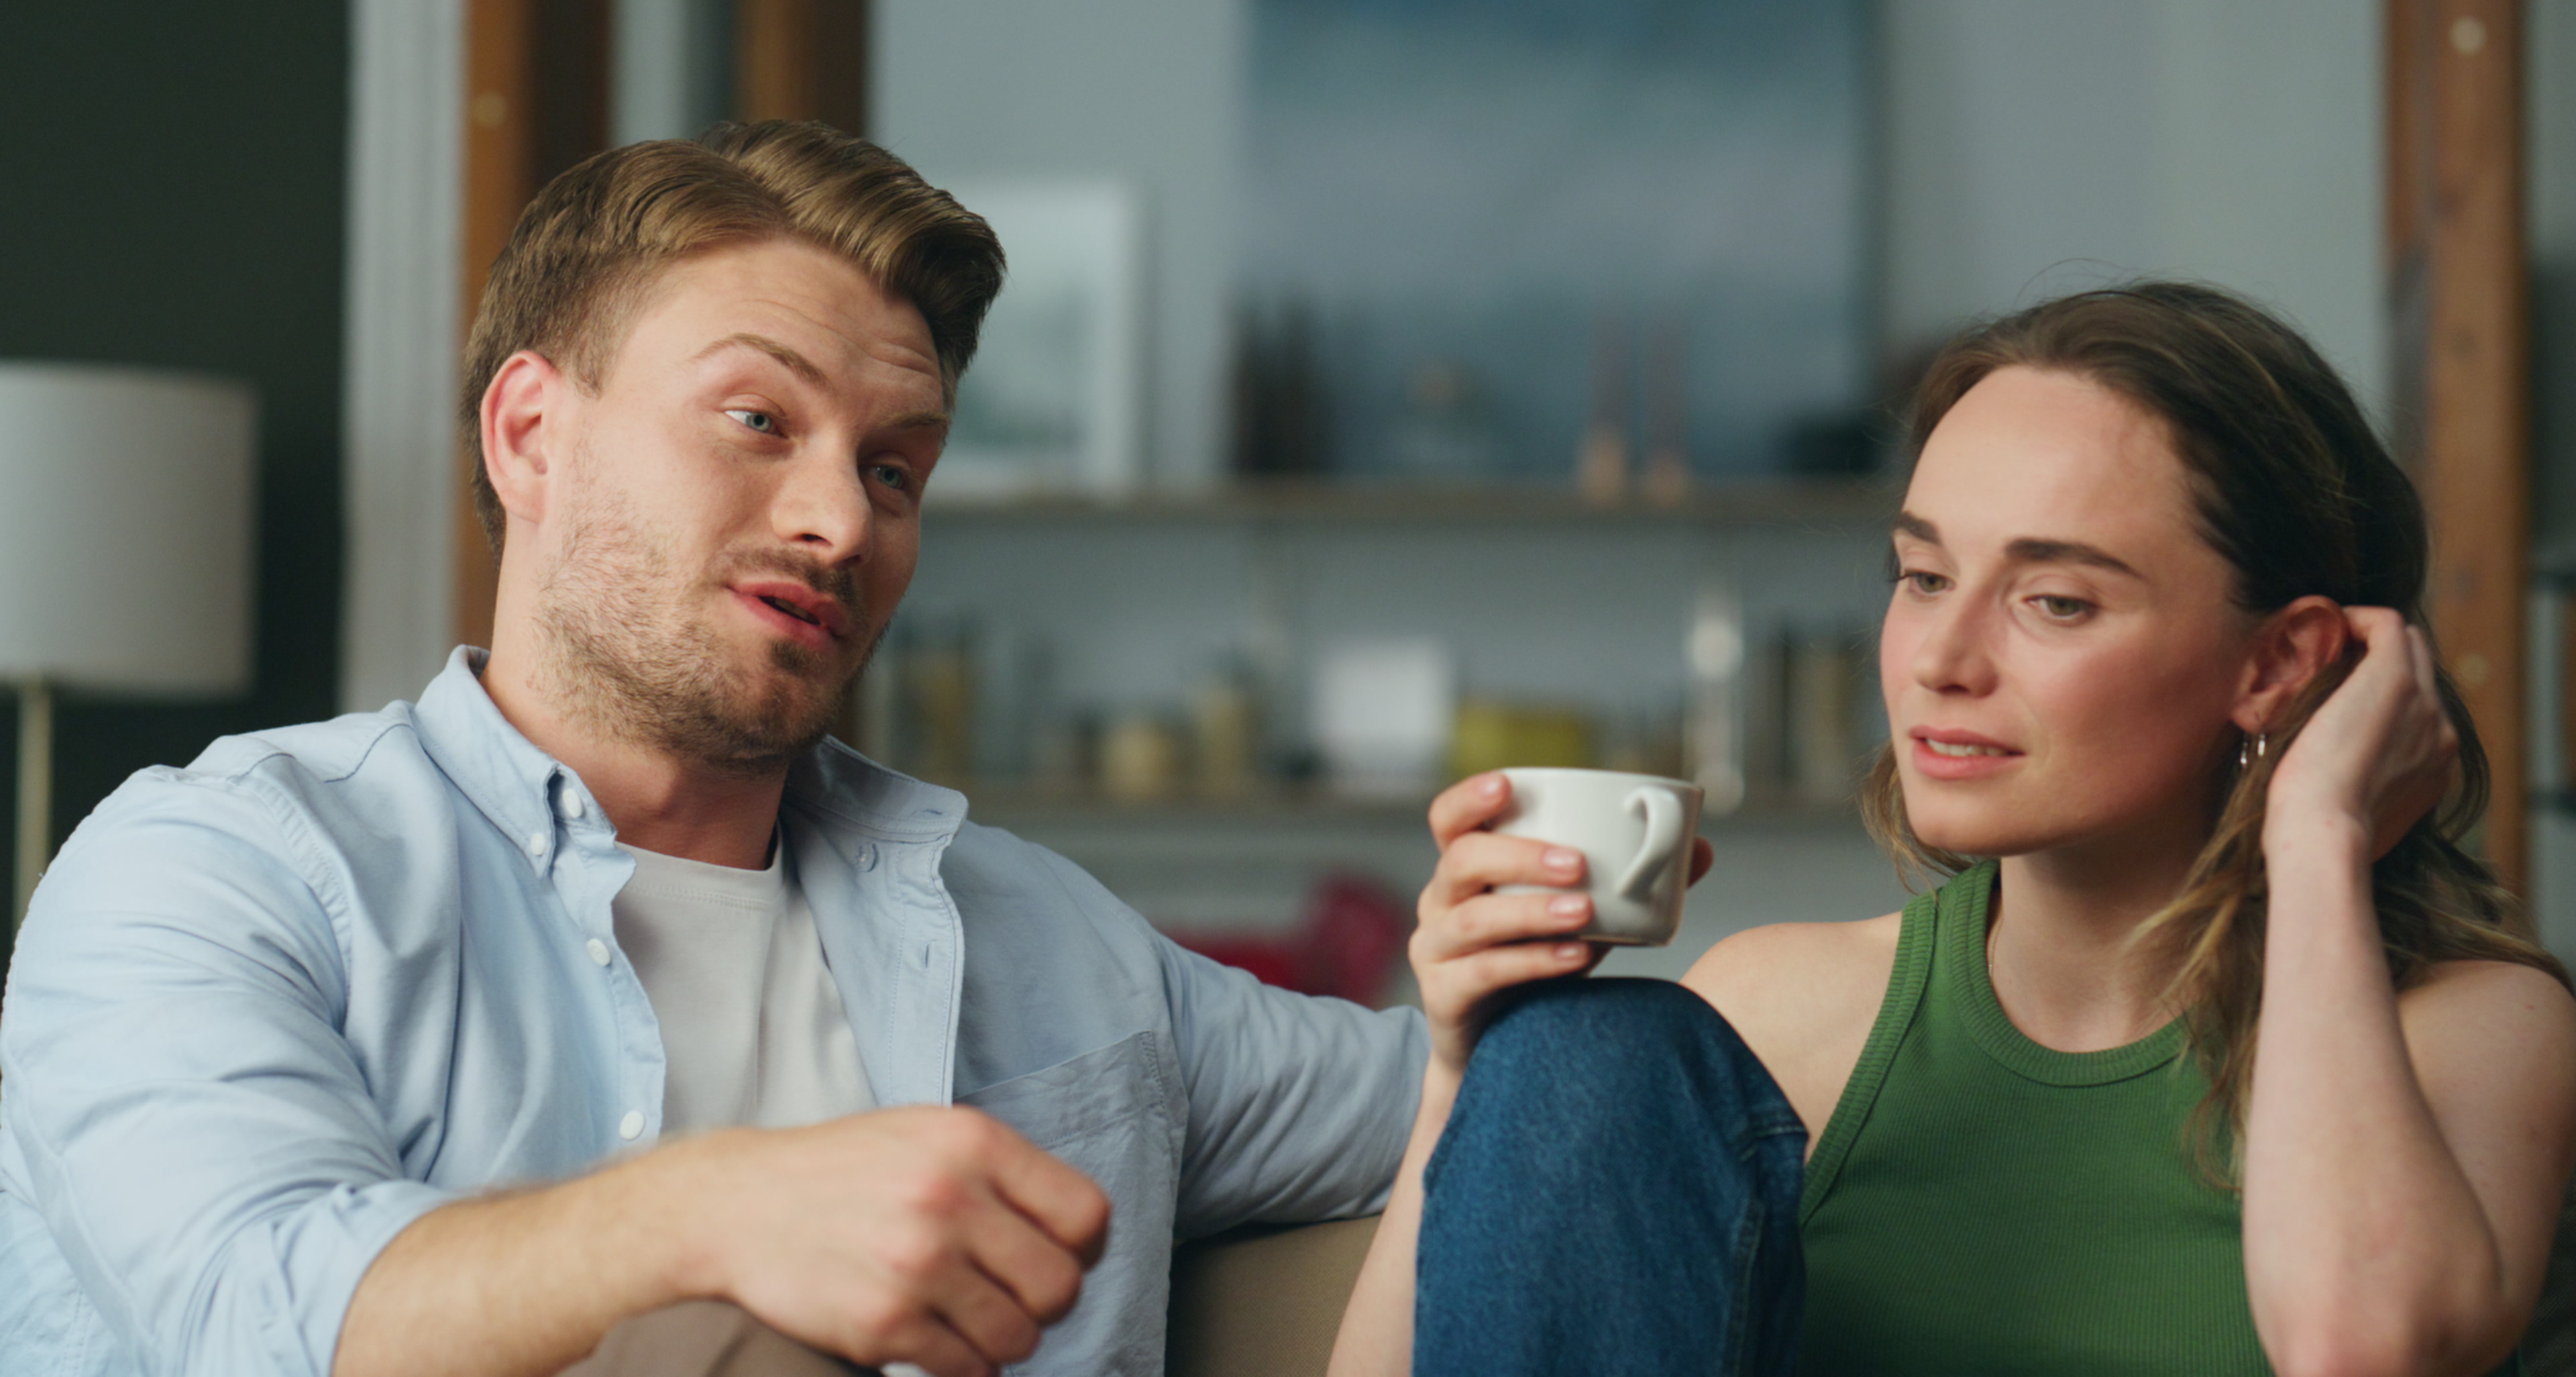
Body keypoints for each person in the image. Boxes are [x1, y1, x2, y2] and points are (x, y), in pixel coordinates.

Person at [0, 121, 1426, 1377]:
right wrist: (717, 1214)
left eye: (895, 470)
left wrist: (1580, 991)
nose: (843, 522)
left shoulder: (1052, 944)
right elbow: (258, 1315)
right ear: (531, 435)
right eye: (759, 419)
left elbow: (1485, 1114)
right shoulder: (223, 871)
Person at [1331, 282, 2576, 1376]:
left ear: (2279, 663)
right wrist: (1466, 1073)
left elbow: (2363, 1353)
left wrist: (2315, 835)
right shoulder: (1778, 1019)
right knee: (1580, 1055)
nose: (1940, 659)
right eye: (1923, 577)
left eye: (2054, 600)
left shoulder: (2473, 1035)